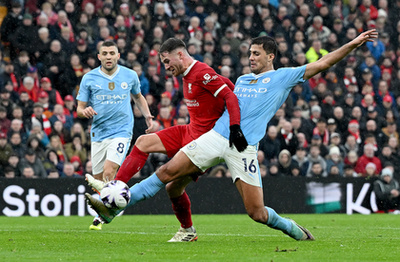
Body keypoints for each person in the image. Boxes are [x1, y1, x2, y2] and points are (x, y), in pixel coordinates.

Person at [86, 30, 378, 242]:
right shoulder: (241, 79)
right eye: (249, 53)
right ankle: (112, 207)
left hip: (243, 148)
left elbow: (323, 64)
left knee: (257, 212)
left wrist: (352, 43)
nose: (250, 58)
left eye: (256, 53)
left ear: (270, 56)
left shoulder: (284, 77)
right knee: (166, 173)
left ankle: (292, 229)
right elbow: (224, 99)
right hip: (216, 137)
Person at [86, 38, 246, 239]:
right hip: (189, 131)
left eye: (167, 61)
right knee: (143, 142)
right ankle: (113, 190)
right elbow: (231, 87)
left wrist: (235, 127)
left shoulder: (202, 73)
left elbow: (231, 97)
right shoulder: (189, 73)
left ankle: (186, 230)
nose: (167, 67)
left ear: (180, 54)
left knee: (172, 187)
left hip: (203, 142)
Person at [77, 40, 153, 230]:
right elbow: (79, 108)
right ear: (99, 57)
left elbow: (137, 96)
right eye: (105, 53)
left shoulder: (130, 75)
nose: (109, 57)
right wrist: (84, 111)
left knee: (110, 171)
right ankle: (105, 213)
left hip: (121, 131)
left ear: (118, 56)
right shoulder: (89, 78)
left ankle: (105, 215)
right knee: (99, 180)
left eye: (112, 53)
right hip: (98, 133)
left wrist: (147, 116)